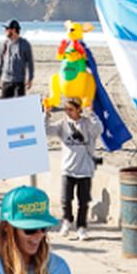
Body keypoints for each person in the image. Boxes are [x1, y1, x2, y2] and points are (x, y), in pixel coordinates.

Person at [46, 97, 102, 241]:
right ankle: (67, 221)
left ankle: (81, 227)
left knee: (83, 202)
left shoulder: (87, 124)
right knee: (65, 199)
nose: (68, 112)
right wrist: (46, 114)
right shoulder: (63, 124)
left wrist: (92, 113)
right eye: (66, 109)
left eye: (71, 109)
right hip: (67, 169)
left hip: (84, 169)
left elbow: (98, 129)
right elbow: (46, 130)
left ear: (78, 109)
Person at [0, 20, 34, 98]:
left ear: (13, 30)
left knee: (19, 107)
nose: (5, 31)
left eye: (7, 29)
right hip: (6, 81)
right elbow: (0, 62)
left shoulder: (25, 44)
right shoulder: (4, 44)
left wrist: (30, 79)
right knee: (5, 106)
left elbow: (30, 63)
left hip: (19, 82)